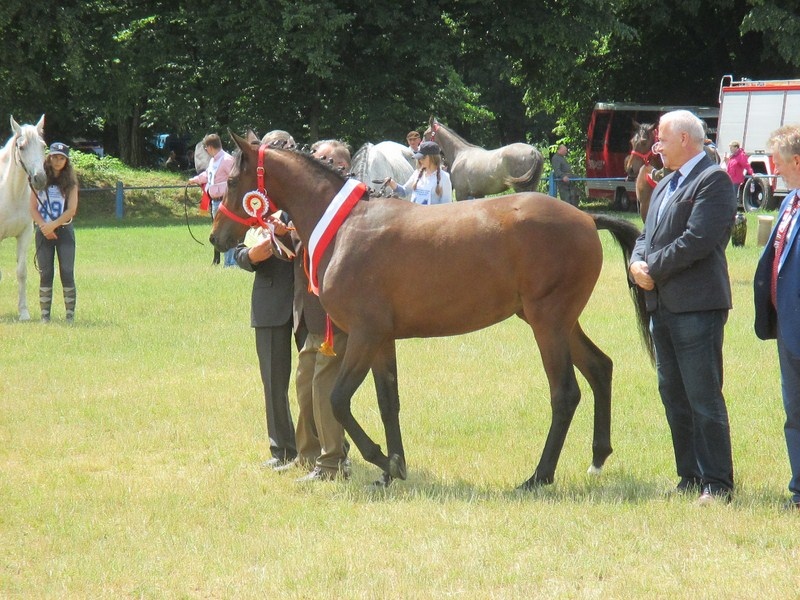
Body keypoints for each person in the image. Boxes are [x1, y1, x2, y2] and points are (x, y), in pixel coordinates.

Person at [629, 109, 737, 505]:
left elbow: (698, 240)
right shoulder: (665, 184)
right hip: (663, 307)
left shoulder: (713, 180)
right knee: (673, 394)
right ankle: (690, 476)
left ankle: (717, 483)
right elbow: (646, 234)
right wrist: (635, 262)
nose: (657, 146)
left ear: (685, 140)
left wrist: (652, 268)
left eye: (662, 138)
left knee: (703, 396)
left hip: (696, 307)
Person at [233, 130, 298, 469]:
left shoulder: (305, 193)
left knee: (318, 380)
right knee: (273, 383)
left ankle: (327, 448)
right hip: (270, 299)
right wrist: (251, 256)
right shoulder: (253, 200)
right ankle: (282, 450)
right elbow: (238, 251)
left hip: (309, 300)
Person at [754, 124, 800, 511]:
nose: (775, 168)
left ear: (797, 161)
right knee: (795, 412)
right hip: (788, 327)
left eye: (778, 161)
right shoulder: (789, 203)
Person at [28, 142, 79, 324]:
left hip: (64, 230)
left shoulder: (71, 183)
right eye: (54, 157)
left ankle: (70, 316)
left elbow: (71, 209)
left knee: (67, 272)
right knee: (45, 273)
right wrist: (44, 226)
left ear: (66, 161)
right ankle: (45, 317)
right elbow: (32, 207)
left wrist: (54, 225)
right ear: (48, 158)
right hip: (43, 231)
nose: (57, 161)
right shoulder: (39, 180)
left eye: (61, 158)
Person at [189, 134, 236, 266]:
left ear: (210, 147)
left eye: (206, 148)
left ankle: (231, 262)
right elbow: (208, 174)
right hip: (216, 201)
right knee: (221, 232)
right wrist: (195, 180)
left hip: (225, 201)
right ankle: (229, 262)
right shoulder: (214, 160)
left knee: (227, 231)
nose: (206, 150)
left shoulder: (227, 160)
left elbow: (235, 178)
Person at [385, 140, 452, 204]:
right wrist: (392, 183)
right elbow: (404, 192)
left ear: (433, 158)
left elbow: (446, 205)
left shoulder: (444, 177)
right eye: (419, 158)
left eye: (423, 158)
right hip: (415, 212)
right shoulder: (416, 173)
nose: (420, 160)